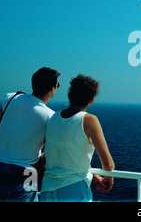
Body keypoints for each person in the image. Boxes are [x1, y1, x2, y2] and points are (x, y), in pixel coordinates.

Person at [0, 67, 60, 202]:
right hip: (26, 174)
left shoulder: (12, 98)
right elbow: (52, 151)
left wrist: (6, 152)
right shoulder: (50, 116)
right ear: (52, 89)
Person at [40, 74, 115, 202]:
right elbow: (107, 164)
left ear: (70, 96)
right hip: (74, 190)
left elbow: (54, 156)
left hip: (47, 190)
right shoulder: (89, 120)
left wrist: (92, 175)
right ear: (91, 100)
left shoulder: (53, 118)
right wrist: (109, 176)